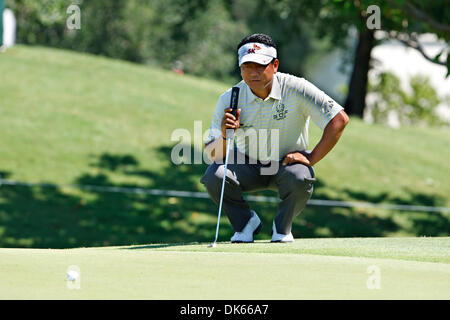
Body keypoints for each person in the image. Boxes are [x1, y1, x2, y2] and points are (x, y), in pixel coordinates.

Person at [201, 33, 349, 243]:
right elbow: (212, 154)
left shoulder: (296, 88)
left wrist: (311, 158)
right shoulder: (229, 98)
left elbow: (339, 120)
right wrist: (225, 136)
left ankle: (282, 228)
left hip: (286, 164)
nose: (253, 73)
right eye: (247, 66)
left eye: (260, 66)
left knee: (301, 176)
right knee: (214, 176)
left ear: (275, 65)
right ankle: (245, 224)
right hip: (248, 163)